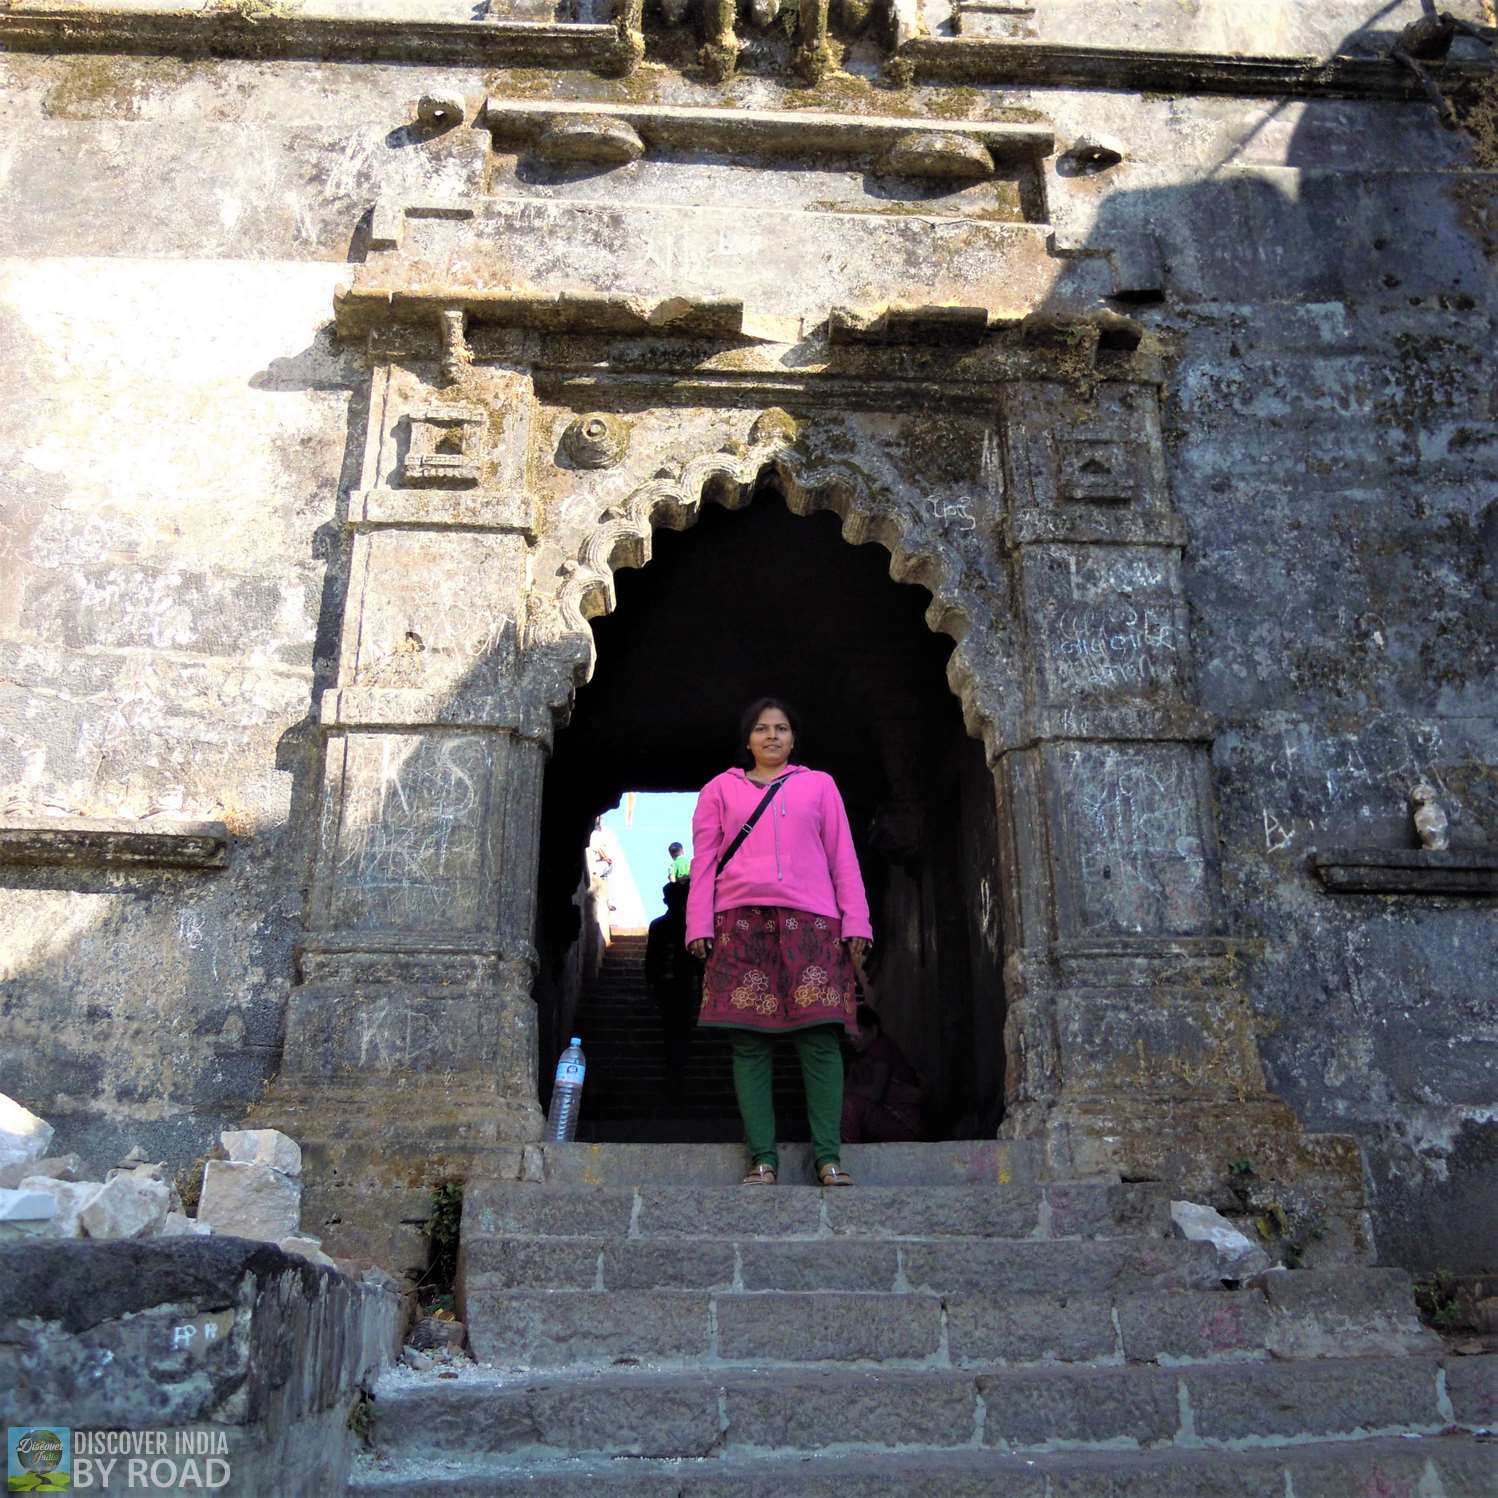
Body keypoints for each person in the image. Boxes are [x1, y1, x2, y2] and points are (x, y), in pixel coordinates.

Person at [686, 697, 873, 1186]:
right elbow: (703, 863)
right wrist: (698, 925)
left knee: (820, 1038)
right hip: (739, 924)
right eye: (763, 729)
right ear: (747, 738)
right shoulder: (717, 792)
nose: (772, 737)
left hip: (812, 924)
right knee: (748, 1043)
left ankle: (829, 1159)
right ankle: (762, 1161)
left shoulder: (820, 786)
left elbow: (843, 858)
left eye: (782, 728)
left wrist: (857, 922)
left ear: (794, 737)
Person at [645, 879, 701, 1086]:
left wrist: (650, 982)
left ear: (665, 900)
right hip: (683, 984)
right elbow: (698, 958)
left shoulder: (658, 925)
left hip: (666, 984)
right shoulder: (689, 925)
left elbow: (651, 958)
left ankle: (672, 1066)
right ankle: (679, 1067)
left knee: (670, 1026)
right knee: (682, 1026)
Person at [842, 1005, 926, 1144]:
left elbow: (876, 1093)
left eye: (857, 1032)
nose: (851, 1040)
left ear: (873, 1030)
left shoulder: (881, 1048)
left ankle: (848, 1156)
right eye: (848, 1035)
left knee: (848, 1104)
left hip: (904, 1125)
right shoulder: (860, 1058)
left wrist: (842, 1089)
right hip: (885, 1121)